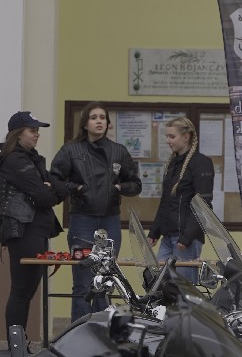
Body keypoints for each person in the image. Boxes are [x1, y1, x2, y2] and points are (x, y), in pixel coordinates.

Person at [49, 102, 142, 320]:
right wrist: (76, 188)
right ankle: (80, 329)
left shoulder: (119, 151)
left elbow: (135, 184)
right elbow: (54, 179)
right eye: (94, 117)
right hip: (82, 220)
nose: (99, 121)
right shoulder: (71, 150)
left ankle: (102, 329)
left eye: (103, 118)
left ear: (108, 123)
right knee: (83, 281)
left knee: (105, 279)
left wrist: (118, 187)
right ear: (85, 124)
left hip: (110, 221)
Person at [0, 111, 66, 339]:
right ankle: (16, 346)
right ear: (18, 134)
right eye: (32, 130)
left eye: (37, 131)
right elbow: (43, 197)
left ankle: (19, 343)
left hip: (37, 229)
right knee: (21, 291)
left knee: (27, 292)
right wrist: (46, 190)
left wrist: (48, 189)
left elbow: (60, 189)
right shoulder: (14, 160)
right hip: (23, 229)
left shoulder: (33, 159)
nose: (37, 135)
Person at [147, 115, 215, 282]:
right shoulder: (173, 164)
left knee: (184, 287)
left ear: (186, 137)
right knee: (159, 282)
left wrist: (187, 237)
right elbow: (165, 201)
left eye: (172, 136)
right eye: (167, 136)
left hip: (186, 238)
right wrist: (155, 231)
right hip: (168, 234)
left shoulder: (201, 163)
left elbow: (203, 204)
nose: (168, 141)